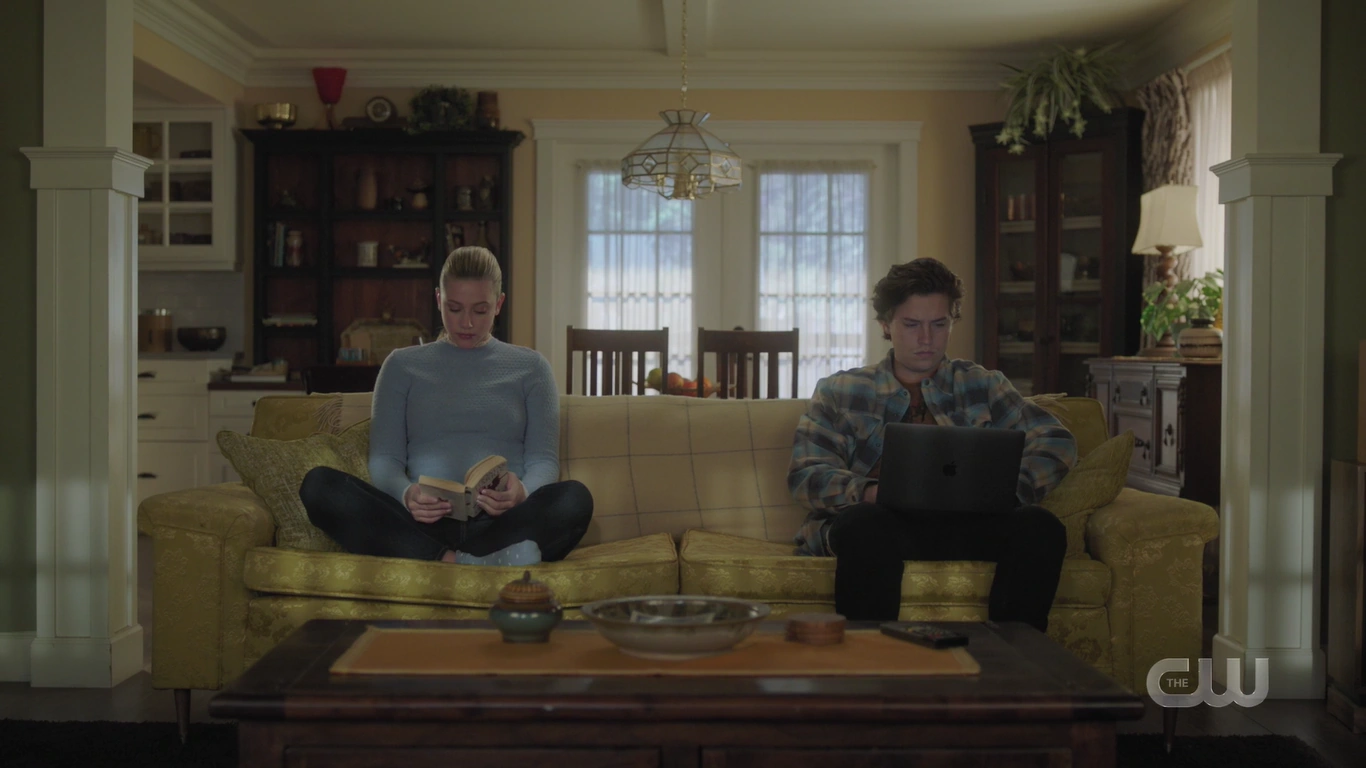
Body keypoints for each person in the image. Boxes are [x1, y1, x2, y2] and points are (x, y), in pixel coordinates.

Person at [787, 258, 1076, 631]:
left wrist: (1008, 491)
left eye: (939, 324)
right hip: (882, 526)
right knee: (863, 525)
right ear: (886, 325)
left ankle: (1014, 655)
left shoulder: (983, 385)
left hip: (970, 525)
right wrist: (872, 492)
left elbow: (1056, 440)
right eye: (912, 325)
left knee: (1040, 526)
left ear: (952, 322)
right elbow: (807, 475)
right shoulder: (841, 390)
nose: (926, 339)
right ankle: (869, 656)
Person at [300, 246, 593, 567]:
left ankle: (444, 561)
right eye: (454, 308)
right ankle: (463, 561)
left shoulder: (532, 368)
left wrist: (522, 491)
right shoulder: (401, 366)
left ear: (499, 304)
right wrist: (407, 495)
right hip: (420, 524)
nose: (466, 323)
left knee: (574, 499)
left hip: (502, 523)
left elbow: (544, 461)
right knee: (319, 486)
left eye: (480, 310)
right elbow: (385, 459)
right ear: (438, 300)